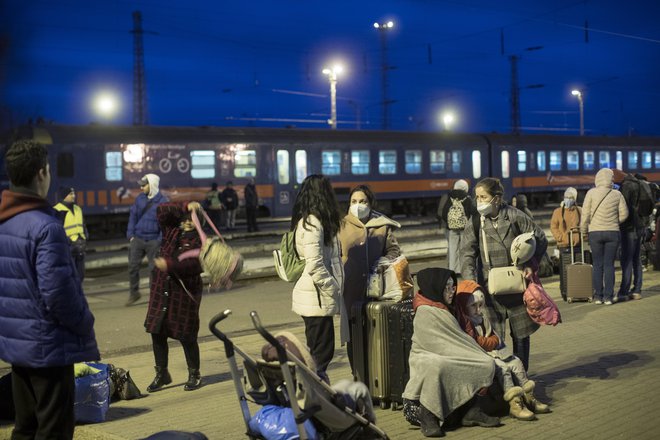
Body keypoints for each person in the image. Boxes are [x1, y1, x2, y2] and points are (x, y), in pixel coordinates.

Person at [0, 139, 99, 439]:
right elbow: (59, 294)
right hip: (49, 348)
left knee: (25, 427)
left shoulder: (5, 223)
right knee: (53, 430)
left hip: (17, 347)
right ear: (42, 173)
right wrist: (84, 323)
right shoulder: (46, 227)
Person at [460, 177, 547, 371]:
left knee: (521, 337)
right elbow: (466, 253)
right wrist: (470, 284)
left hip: (517, 286)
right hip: (490, 290)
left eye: (483, 197)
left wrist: (530, 264)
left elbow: (539, 238)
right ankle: (503, 381)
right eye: (477, 197)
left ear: (497, 198)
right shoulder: (475, 222)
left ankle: (524, 378)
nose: (479, 201)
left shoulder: (516, 216)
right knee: (495, 338)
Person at [402, 268, 498, 437]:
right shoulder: (425, 310)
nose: (451, 292)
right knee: (437, 366)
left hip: (451, 353)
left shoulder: (449, 306)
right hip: (426, 356)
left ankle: (472, 409)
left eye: (453, 287)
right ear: (436, 288)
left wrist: (475, 349)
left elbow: (458, 338)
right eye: (447, 287)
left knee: (486, 363)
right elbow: (434, 343)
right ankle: (428, 415)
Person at [454, 280, 551, 421]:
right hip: (481, 356)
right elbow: (479, 342)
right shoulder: (464, 322)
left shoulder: (482, 318)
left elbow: (495, 338)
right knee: (503, 368)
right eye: (473, 306)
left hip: (494, 352)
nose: (478, 309)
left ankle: (529, 397)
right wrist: (491, 342)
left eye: (481, 305)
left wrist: (492, 342)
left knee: (516, 362)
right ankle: (515, 404)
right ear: (464, 305)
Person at [337, 184, 401, 371]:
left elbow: (394, 250)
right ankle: (357, 375)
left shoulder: (382, 225)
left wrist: (383, 261)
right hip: (351, 291)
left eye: (363, 201)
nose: (358, 205)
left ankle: (377, 376)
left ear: (370, 203)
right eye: (354, 201)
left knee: (377, 335)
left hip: (378, 293)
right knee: (354, 338)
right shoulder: (340, 225)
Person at [144, 201, 205, 393]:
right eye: (185, 219)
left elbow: (194, 266)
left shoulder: (201, 241)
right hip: (162, 290)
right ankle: (162, 374)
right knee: (157, 331)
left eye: (191, 220)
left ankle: (194, 374)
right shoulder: (171, 231)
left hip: (183, 295)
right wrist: (185, 205)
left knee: (187, 335)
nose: (187, 222)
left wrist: (170, 266)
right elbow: (162, 211)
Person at [290, 174, 344, 383]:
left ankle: (315, 390)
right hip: (316, 297)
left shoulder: (311, 221)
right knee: (321, 353)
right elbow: (315, 264)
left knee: (319, 350)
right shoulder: (312, 224)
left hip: (315, 297)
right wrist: (332, 287)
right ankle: (314, 394)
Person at [580, 168, 628, 305]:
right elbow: (624, 214)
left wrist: (584, 231)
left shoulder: (591, 193)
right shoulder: (617, 194)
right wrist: (614, 222)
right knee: (609, 265)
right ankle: (608, 297)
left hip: (595, 233)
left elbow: (585, 216)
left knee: (597, 265)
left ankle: (598, 297)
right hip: (612, 233)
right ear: (611, 179)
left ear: (598, 178)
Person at [126, 173, 168, 306]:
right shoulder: (140, 199)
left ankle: (154, 297)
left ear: (153, 185)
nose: (142, 188)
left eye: (144, 185)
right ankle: (134, 293)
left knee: (153, 270)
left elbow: (165, 223)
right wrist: (131, 235)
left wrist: (159, 240)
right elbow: (133, 216)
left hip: (153, 241)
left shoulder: (163, 202)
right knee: (132, 267)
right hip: (138, 238)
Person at [550, 187, 584, 297]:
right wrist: (560, 237)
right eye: (566, 197)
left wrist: (580, 237)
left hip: (578, 246)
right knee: (564, 271)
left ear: (574, 199)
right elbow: (553, 227)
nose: (568, 199)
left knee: (577, 270)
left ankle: (578, 290)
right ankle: (565, 291)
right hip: (563, 246)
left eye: (570, 197)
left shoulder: (580, 210)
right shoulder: (558, 212)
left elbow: (584, 225)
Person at [616, 172, 645, 301]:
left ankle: (624, 292)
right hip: (640, 226)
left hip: (629, 228)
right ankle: (637, 290)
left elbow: (624, 209)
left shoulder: (626, 186)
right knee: (636, 259)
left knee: (626, 259)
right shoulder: (640, 185)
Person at [439, 179, 475, 273]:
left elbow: (444, 212)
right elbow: (473, 211)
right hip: (464, 229)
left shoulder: (449, 197)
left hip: (452, 228)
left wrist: (448, 224)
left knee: (452, 249)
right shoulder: (467, 198)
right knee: (464, 249)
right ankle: (462, 269)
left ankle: (453, 270)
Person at [53, 186, 88, 281]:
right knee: (69, 276)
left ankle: (77, 294)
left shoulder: (78, 209)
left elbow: (83, 225)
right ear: (64, 196)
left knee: (80, 276)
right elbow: (56, 231)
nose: (74, 196)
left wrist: (85, 238)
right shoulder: (57, 210)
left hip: (80, 247)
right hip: (67, 248)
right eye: (71, 194)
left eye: (74, 193)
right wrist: (69, 242)